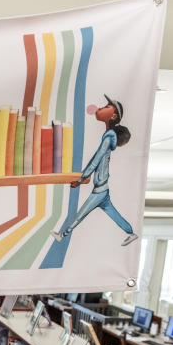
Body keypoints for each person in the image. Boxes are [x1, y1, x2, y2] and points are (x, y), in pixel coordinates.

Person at [52, 95, 139, 246]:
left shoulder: (109, 136)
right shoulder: (110, 134)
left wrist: (81, 179)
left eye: (107, 107)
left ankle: (62, 235)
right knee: (112, 213)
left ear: (113, 116)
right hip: (102, 187)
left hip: (99, 189)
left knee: (81, 214)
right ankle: (131, 232)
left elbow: (96, 158)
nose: (100, 108)